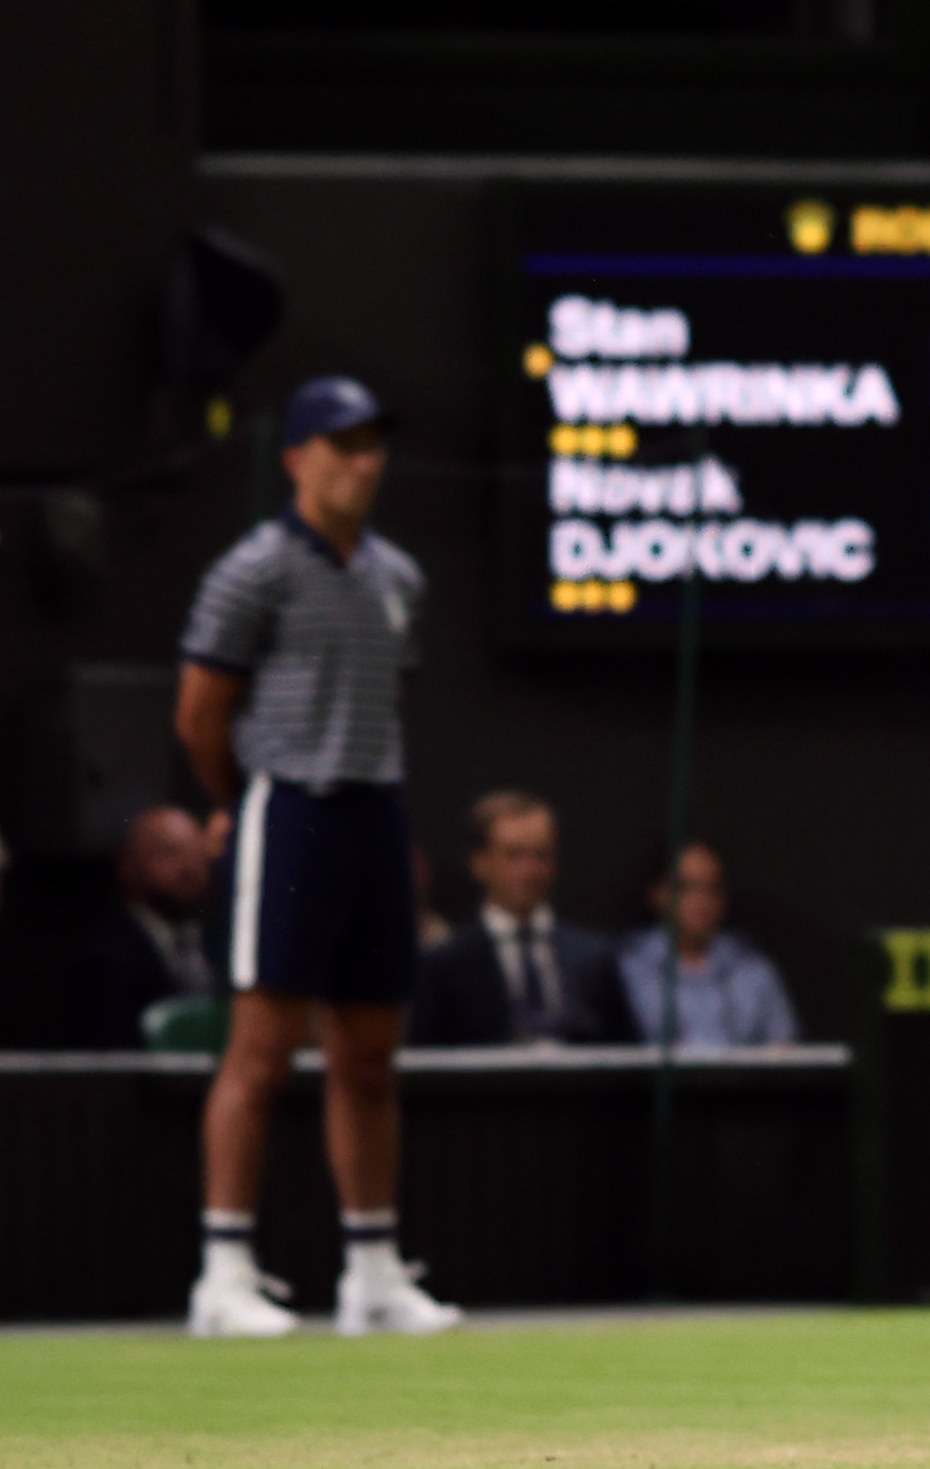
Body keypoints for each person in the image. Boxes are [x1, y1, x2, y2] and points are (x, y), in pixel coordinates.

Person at [174, 378, 450, 1337]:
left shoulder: (399, 576)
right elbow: (200, 716)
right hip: (288, 813)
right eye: (342, 444)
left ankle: (372, 1271)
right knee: (260, 1050)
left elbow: (389, 704)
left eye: (373, 443)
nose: (363, 461)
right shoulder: (251, 570)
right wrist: (246, 803)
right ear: (296, 458)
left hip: (376, 818)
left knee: (369, 1058)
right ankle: (223, 1273)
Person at [407, 791, 635, 1048]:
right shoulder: (445, 966)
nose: (531, 871)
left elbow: (625, 1055)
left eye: (541, 855)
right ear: (479, 862)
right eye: (514, 855)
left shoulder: (595, 958)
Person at [620, 839, 797, 1049]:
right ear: (659, 894)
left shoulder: (753, 970)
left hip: (743, 1082)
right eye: (687, 887)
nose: (702, 900)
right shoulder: (629, 970)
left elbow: (785, 1048)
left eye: (712, 888)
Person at [69, 804, 215, 1051]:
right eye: (170, 853)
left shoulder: (223, 947)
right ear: (128, 865)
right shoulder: (107, 958)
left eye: (198, 855)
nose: (190, 868)